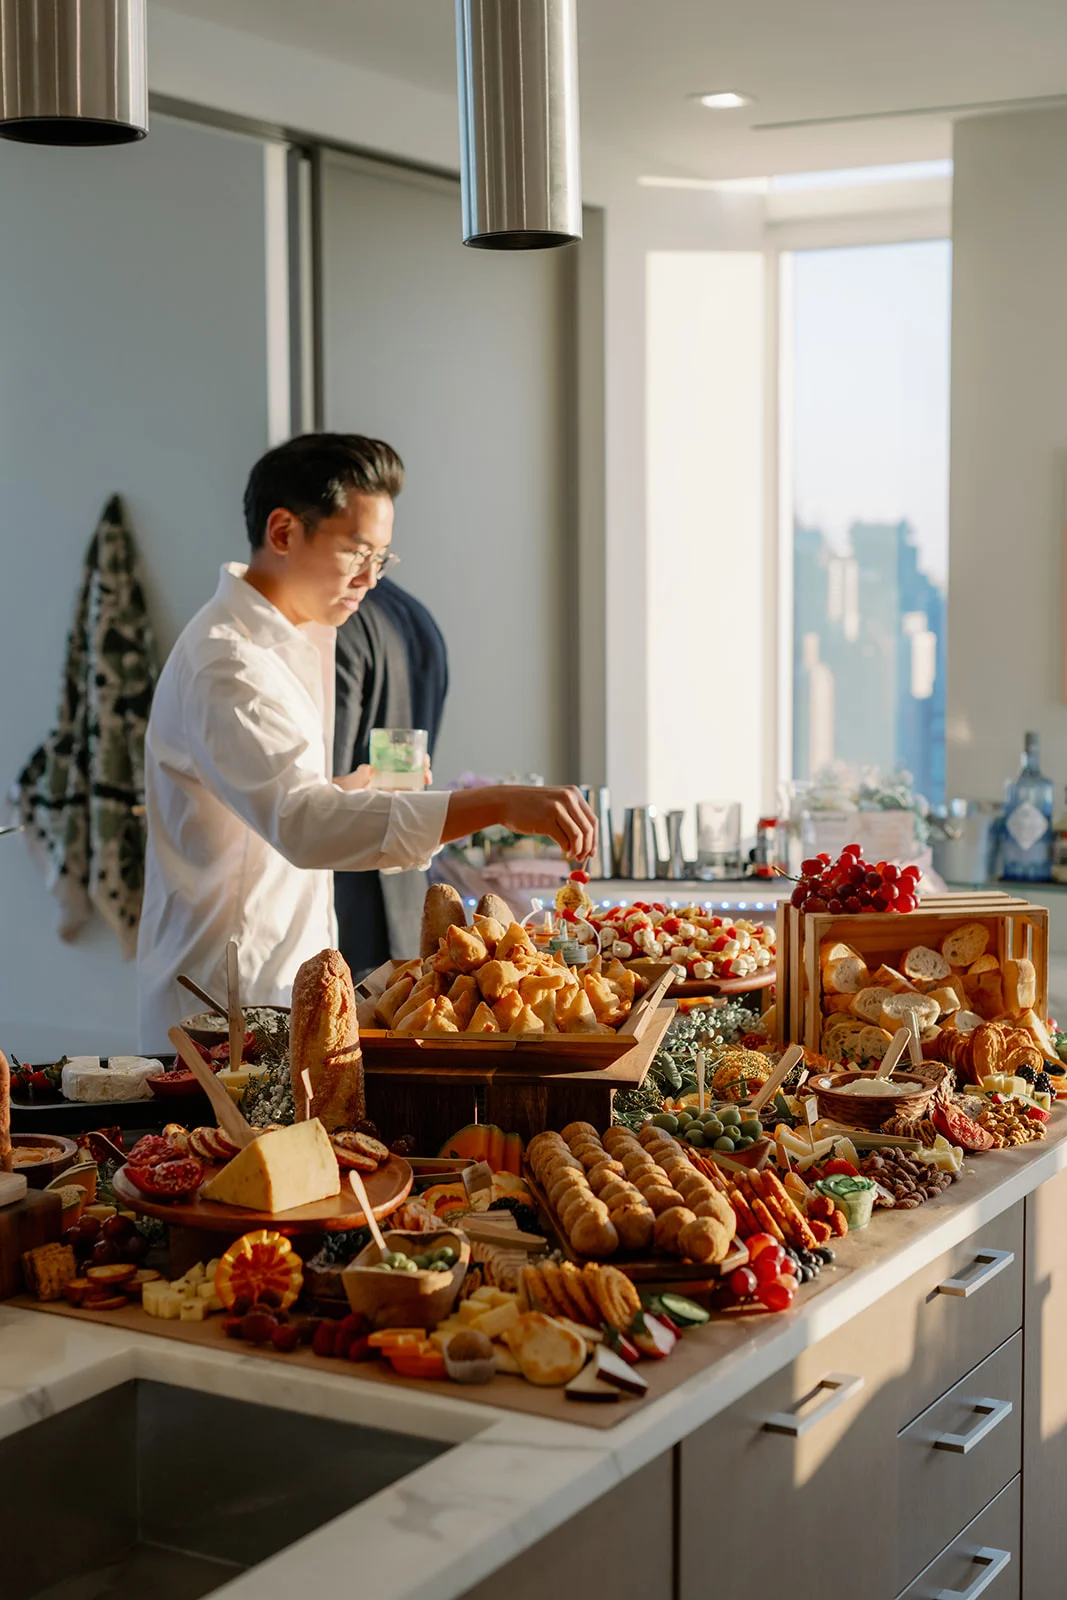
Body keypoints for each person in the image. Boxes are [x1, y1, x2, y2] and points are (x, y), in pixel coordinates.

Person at [136, 432, 596, 1051]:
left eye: (382, 558)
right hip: (224, 1010)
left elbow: (282, 804)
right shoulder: (230, 662)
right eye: (356, 552)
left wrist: (347, 791)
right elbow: (303, 823)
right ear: (283, 532)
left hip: (278, 989)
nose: (370, 578)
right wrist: (498, 804)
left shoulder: (293, 641)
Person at [333, 574, 449, 980]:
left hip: (348, 892)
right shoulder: (420, 619)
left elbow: (328, 778)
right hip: (409, 888)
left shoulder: (342, 621)